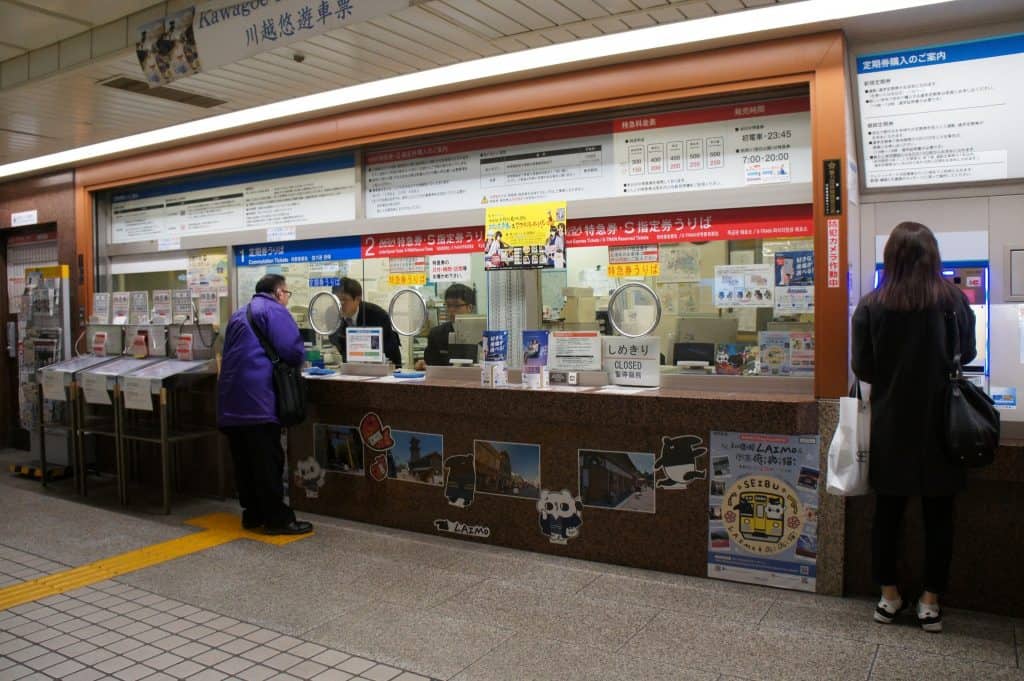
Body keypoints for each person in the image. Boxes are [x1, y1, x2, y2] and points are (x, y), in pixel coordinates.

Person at [852, 221, 975, 633]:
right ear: (934, 257)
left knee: (887, 515)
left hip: (891, 425)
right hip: (945, 425)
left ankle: (889, 597)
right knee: (940, 517)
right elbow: (970, 353)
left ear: (890, 258)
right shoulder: (954, 300)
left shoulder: (872, 304)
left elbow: (863, 367)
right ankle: (930, 602)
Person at [218, 274, 312, 535]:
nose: (286, 298)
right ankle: (277, 519)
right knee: (267, 460)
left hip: (231, 400)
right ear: (279, 292)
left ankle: (252, 514)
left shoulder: (238, 314)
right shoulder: (273, 310)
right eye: (287, 294)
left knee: (244, 461)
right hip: (258, 400)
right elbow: (293, 351)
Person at [328, 277, 402, 367]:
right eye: (336, 300)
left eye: (344, 300)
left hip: (384, 365)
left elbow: (382, 348)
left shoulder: (377, 315)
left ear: (358, 299)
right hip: (351, 367)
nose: (339, 304)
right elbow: (337, 342)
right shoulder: (331, 315)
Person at [415, 283, 476, 369]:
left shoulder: (482, 333)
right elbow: (430, 366)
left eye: (456, 305)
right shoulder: (436, 334)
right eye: (448, 305)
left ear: (470, 308)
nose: (451, 309)